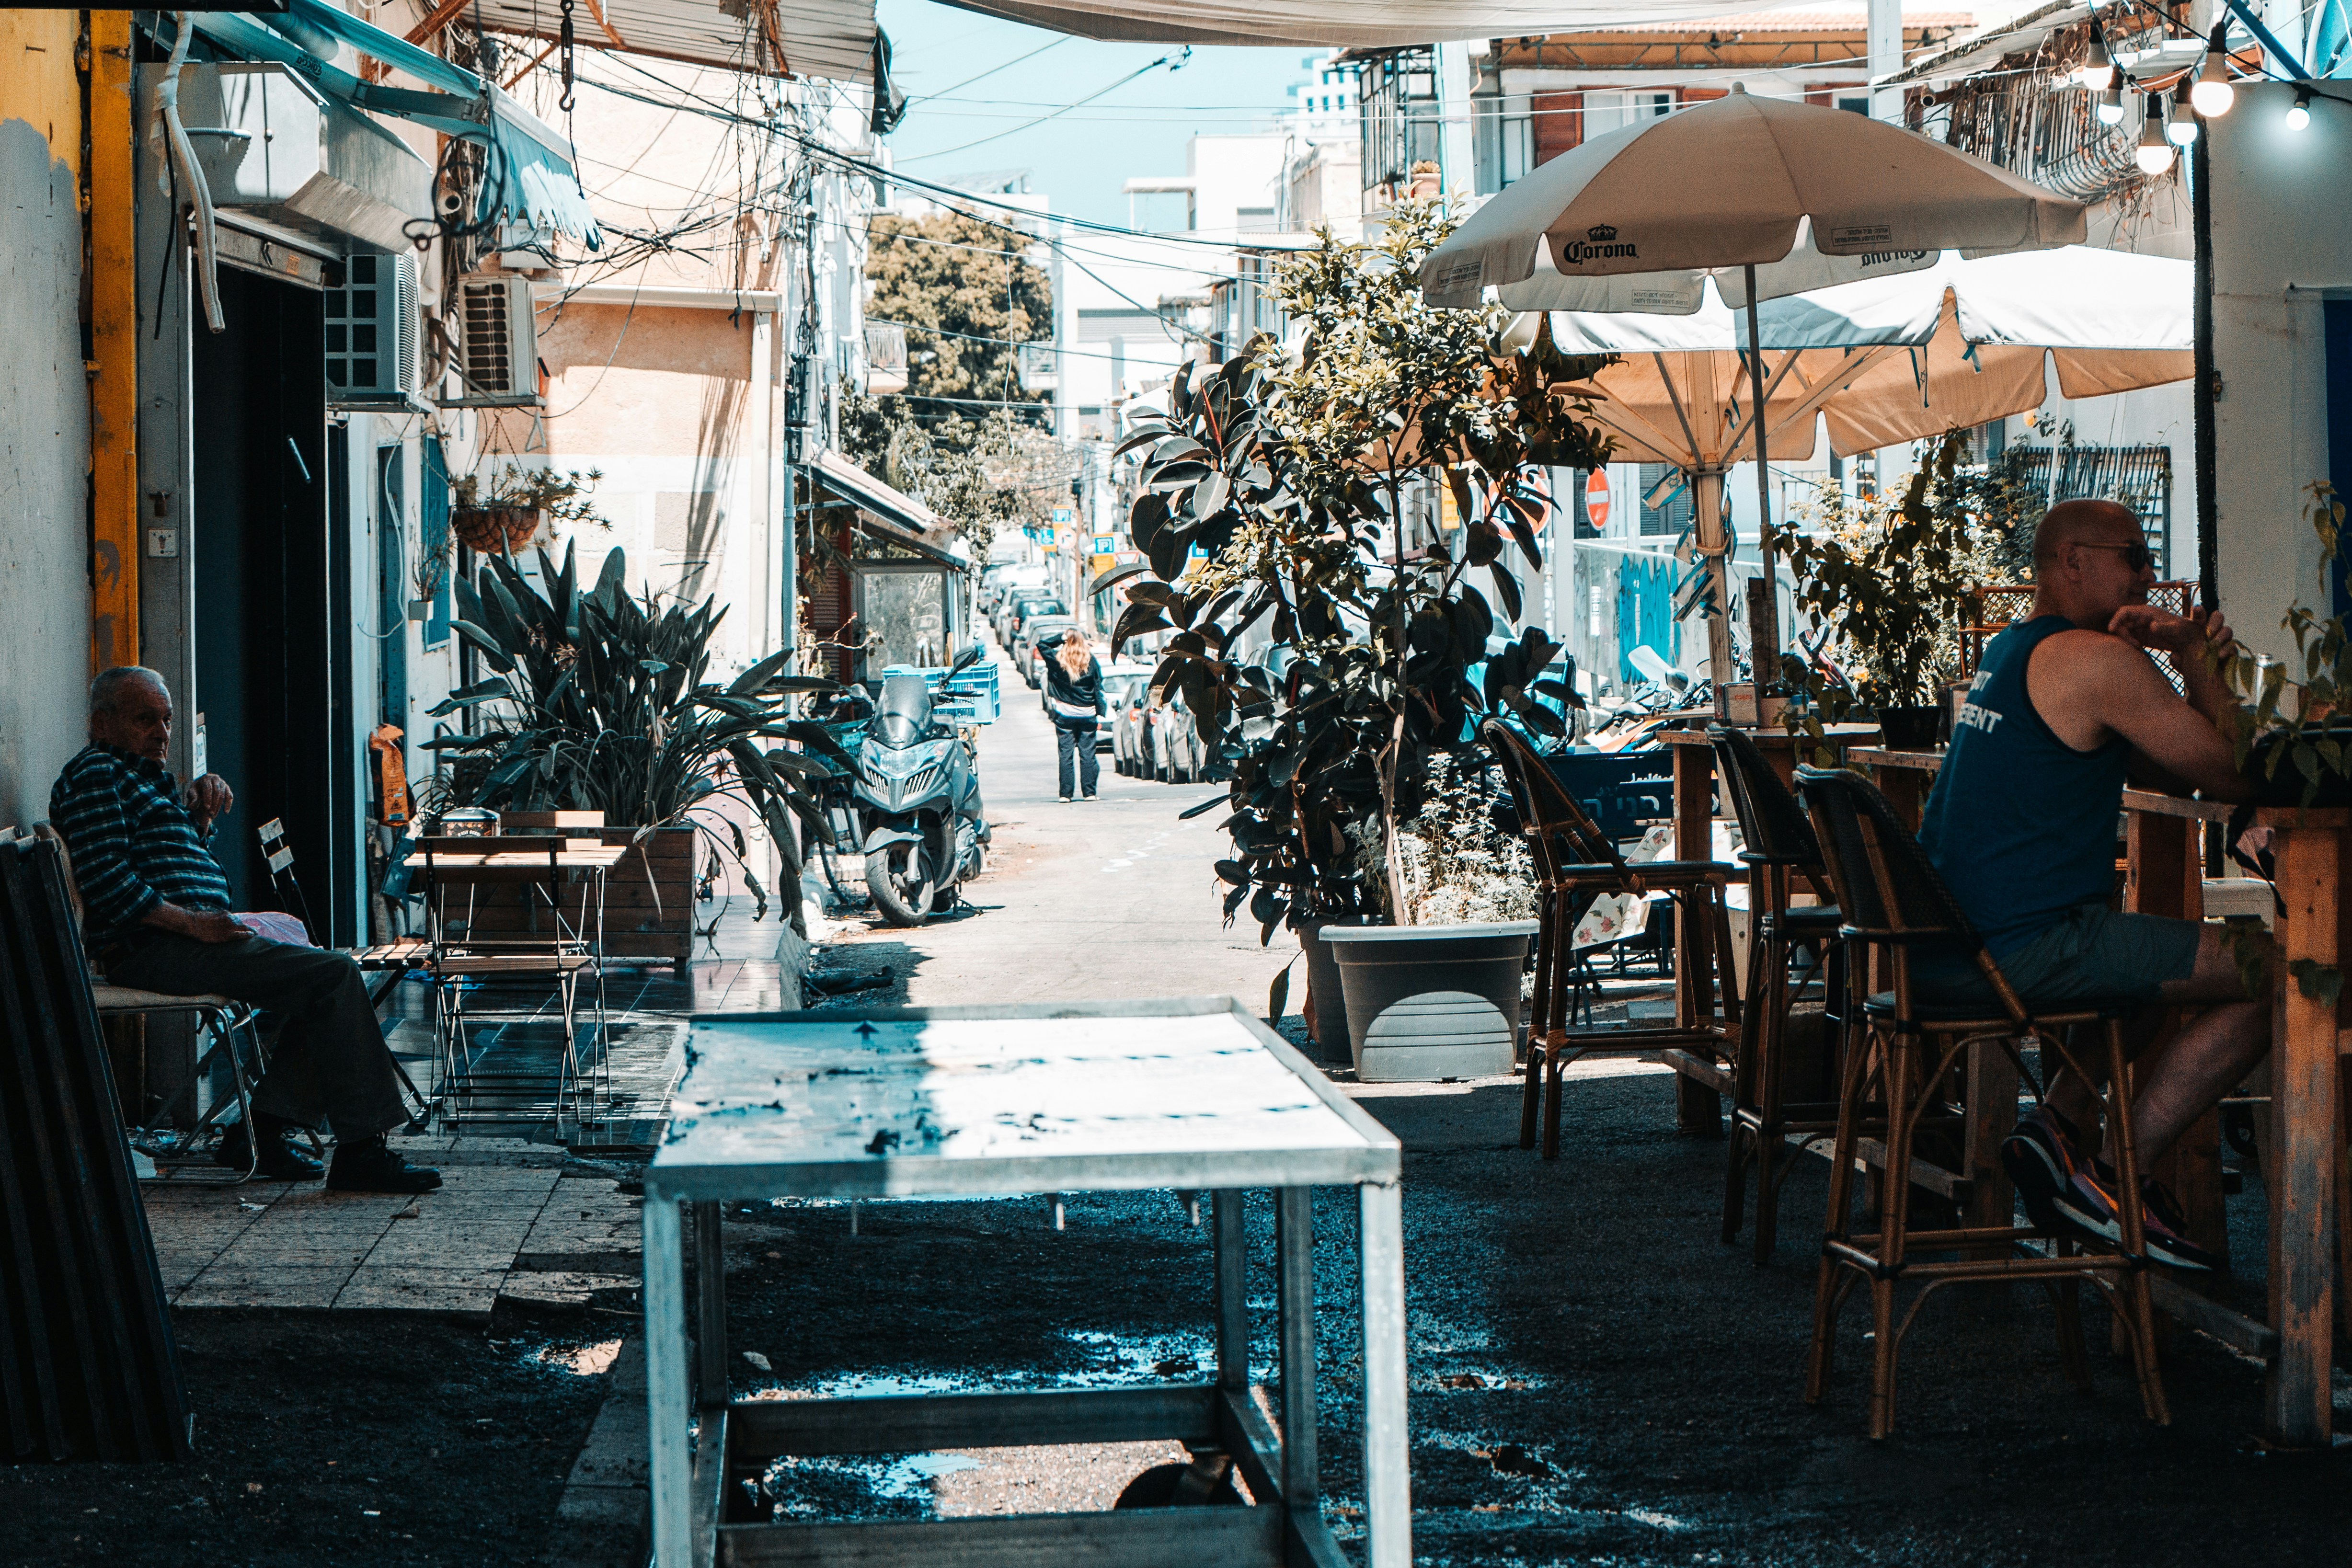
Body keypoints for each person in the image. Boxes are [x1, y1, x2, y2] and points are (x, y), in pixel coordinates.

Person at [1913, 499, 2262, 1272]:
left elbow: (2158, 764)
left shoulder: (2009, 648)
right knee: (2276, 972)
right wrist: (2193, 653)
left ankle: (2057, 1132)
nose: (2147, 573)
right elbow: (2231, 766)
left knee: (2149, 966)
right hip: (2020, 949)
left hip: (1944, 946)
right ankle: (2113, 1175)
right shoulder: (2096, 661)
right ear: (2072, 561)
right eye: (2133, 556)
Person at [51, 666, 440, 1193]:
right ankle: (359, 1149)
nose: (162, 734)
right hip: (151, 947)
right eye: (146, 720)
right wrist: (196, 925)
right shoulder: (98, 775)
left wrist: (201, 822)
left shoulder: (142, 780)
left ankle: (261, 1133)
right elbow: (108, 883)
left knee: (320, 984)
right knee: (334, 977)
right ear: (102, 723)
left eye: (166, 721)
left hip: (184, 939)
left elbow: (172, 866)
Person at [1042, 630, 1105, 802]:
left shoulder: (1058, 661)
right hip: (1087, 713)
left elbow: (1042, 645)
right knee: (1088, 754)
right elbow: (1098, 684)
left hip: (1065, 713)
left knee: (1065, 754)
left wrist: (1060, 638)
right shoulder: (1090, 661)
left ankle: (1066, 794)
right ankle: (1090, 793)